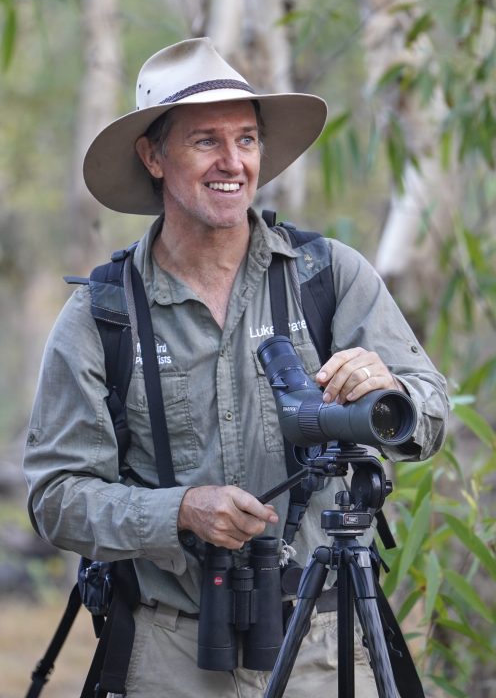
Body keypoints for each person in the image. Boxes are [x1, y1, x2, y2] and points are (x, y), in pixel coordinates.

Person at [24, 37, 448, 697]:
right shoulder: (101, 318)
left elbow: (431, 410)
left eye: (247, 140)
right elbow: (54, 499)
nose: (233, 162)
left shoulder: (328, 277)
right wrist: (180, 511)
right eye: (206, 142)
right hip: (168, 654)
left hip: (324, 647)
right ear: (152, 155)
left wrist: (390, 393)